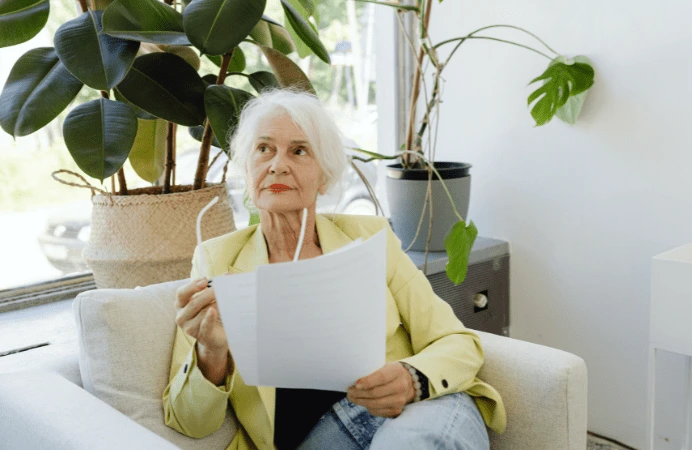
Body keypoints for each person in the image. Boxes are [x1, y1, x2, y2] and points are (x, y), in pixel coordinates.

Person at [162, 89, 506, 450]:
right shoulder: (215, 260)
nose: (277, 164)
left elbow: (457, 341)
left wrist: (411, 379)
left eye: (298, 151)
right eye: (263, 149)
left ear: (323, 177)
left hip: (412, 412)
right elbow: (190, 423)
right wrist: (211, 353)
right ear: (247, 170)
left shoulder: (371, 237)